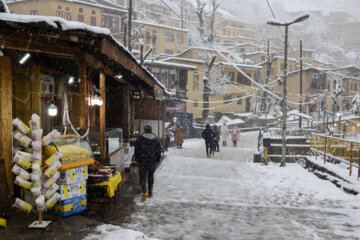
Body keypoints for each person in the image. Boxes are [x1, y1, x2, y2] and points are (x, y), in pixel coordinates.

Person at [134, 125, 162, 202]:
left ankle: (144, 191)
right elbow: (159, 150)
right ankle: (150, 193)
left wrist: (137, 159)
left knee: (142, 177)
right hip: (152, 161)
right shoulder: (156, 139)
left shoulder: (140, 138)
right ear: (151, 130)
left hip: (143, 160)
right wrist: (157, 159)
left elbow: (136, 150)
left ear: (144, 130)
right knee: (150, 177)